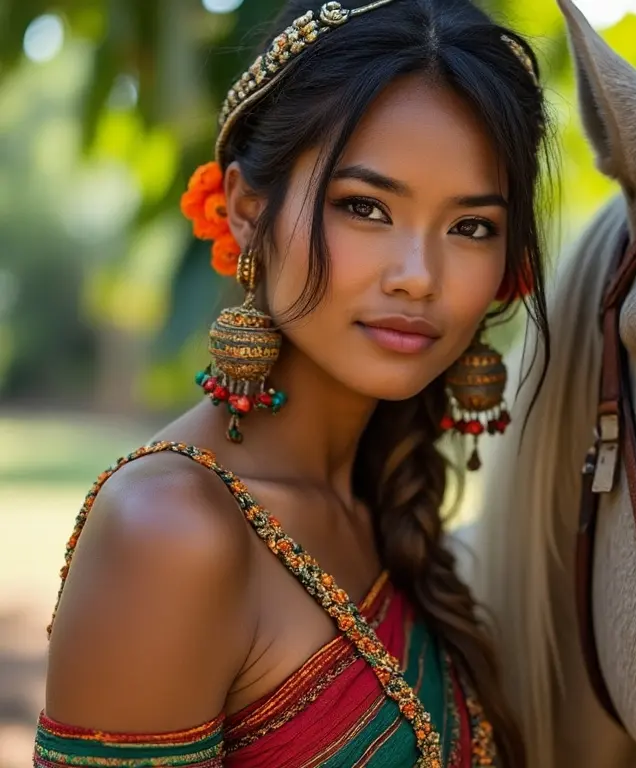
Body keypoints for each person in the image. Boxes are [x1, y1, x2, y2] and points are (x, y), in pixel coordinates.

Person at [34, 0, 551, 765]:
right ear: (245, 211)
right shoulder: (171, 531)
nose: (420, 277)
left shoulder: (383, 499)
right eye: (365, 208)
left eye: (470, 226)